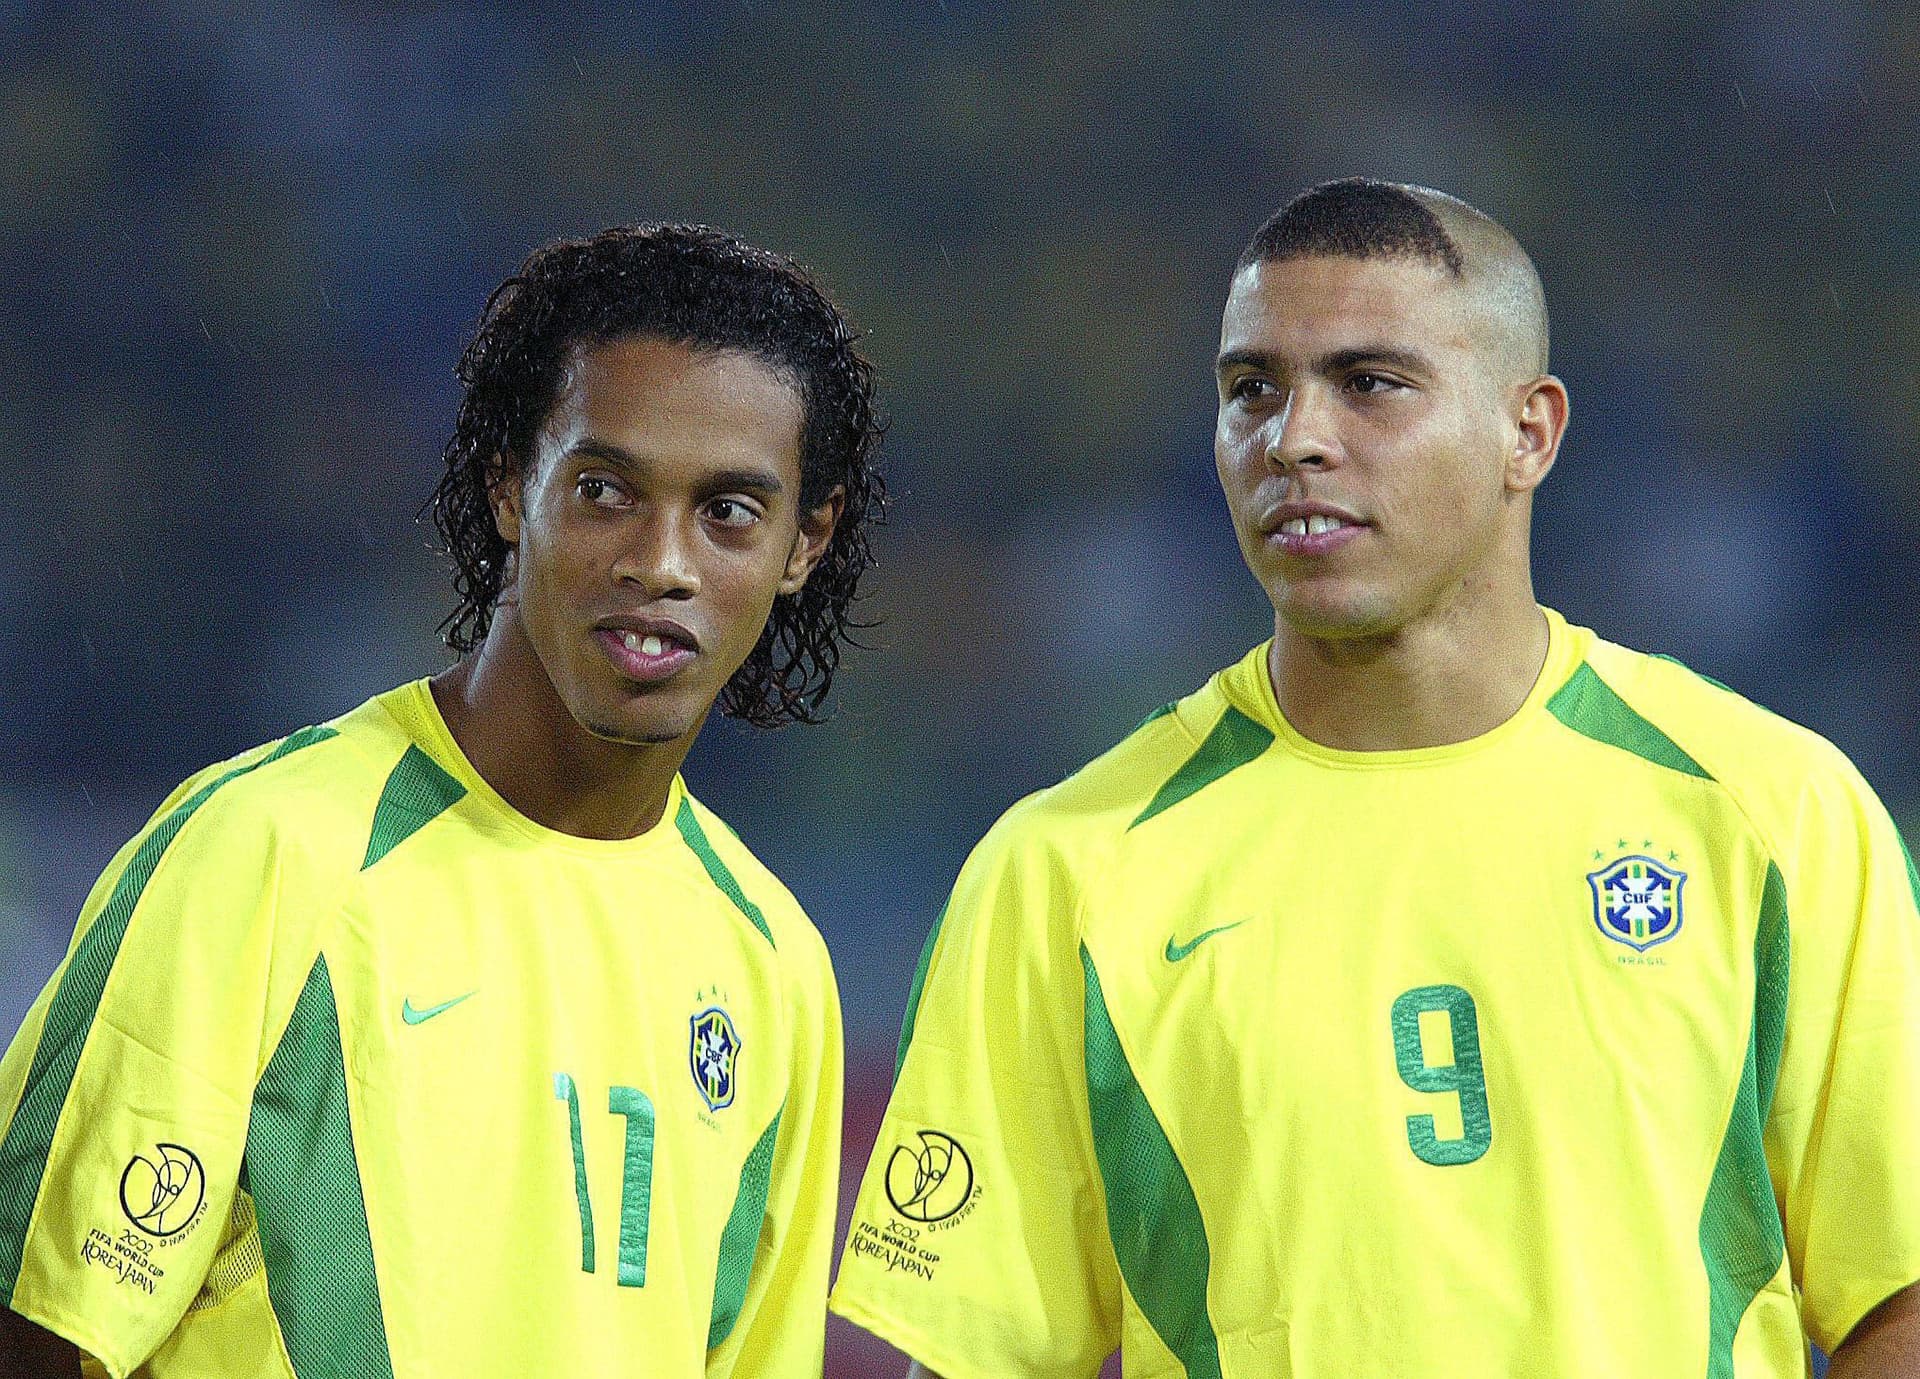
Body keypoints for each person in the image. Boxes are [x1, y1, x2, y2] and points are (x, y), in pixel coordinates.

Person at [829, 178, 1920, 1377]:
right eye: (1252, 390)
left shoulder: (1771, 812)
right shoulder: (1066, 869)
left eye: (1371, 383)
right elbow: (978, 1351)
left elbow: (1896, 1297)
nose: (1293, 437)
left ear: (1530, 431)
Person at [0, 222, 884, 1379]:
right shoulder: (264, 852)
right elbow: (39, 1332)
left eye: (728, 511)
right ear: (511, 486)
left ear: (802, 544)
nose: (662, 560)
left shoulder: (773, 966)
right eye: (607, 489)